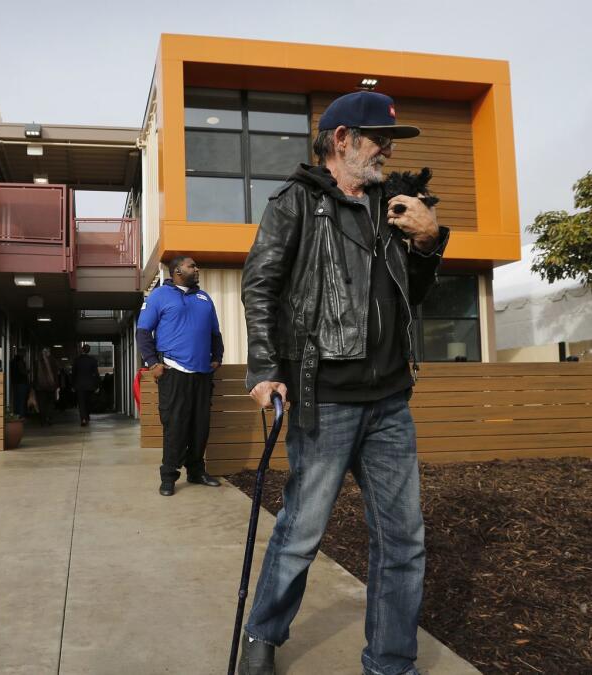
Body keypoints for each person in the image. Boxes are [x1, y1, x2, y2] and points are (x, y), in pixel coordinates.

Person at [237, 91, 450, 675]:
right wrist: (263, 369)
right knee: (302, 532)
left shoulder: (396, 206)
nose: (387, 149)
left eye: (391, 141)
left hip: (388, 402)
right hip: (323, 400)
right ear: (341, 140)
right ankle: (262, 633)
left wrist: (430, 242)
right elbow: (261, 287)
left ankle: (390, 661)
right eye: (379, 137)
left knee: (403, 542)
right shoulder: (296, 203)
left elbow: (416, 293)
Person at [136, 256, 225, 496]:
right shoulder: (159, 296)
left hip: (202, 374)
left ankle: (196, 471)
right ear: (177, 270)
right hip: (174, 371)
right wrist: (153, 363)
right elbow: (143, 332)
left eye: (196, 265)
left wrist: (217, 356)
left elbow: (215, 333)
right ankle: (168, 476)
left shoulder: (204, 298)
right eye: (191, 266)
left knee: (200, 426)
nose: (196, 269)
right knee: (175, 426)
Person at [72, 344, 100, 426]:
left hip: (79, 385)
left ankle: (83, 418)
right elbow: (96, 374)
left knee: (81, 403)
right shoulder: (93, 360)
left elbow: (73, 374)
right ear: (89, 350)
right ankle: (87, 416)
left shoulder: (77, 360)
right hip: (90, 386)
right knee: (88, 402)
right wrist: (97, 386)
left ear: (82, 350)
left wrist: (73, 385)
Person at [33, 347, 59, 426]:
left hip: (40, 387)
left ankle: (43, 420)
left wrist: (34, 386)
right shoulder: (53, 361)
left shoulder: (37, 362)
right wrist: (57, 386)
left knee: (42, 404)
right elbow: (55, 374)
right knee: (50, 403)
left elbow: (35, 375)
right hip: (51, 386)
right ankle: (49, 418)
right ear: (49, 353)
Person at [9, 347, 29, 418]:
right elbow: (23, 372)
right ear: (21, 353)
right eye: (24, 353)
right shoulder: (20, 361)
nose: (25, 354)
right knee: (21, 400)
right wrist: (28, 371)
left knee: (16, 400)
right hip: (21, 383)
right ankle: (21, 416)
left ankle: (16, 415)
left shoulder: (12, 361)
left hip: (15, 383)